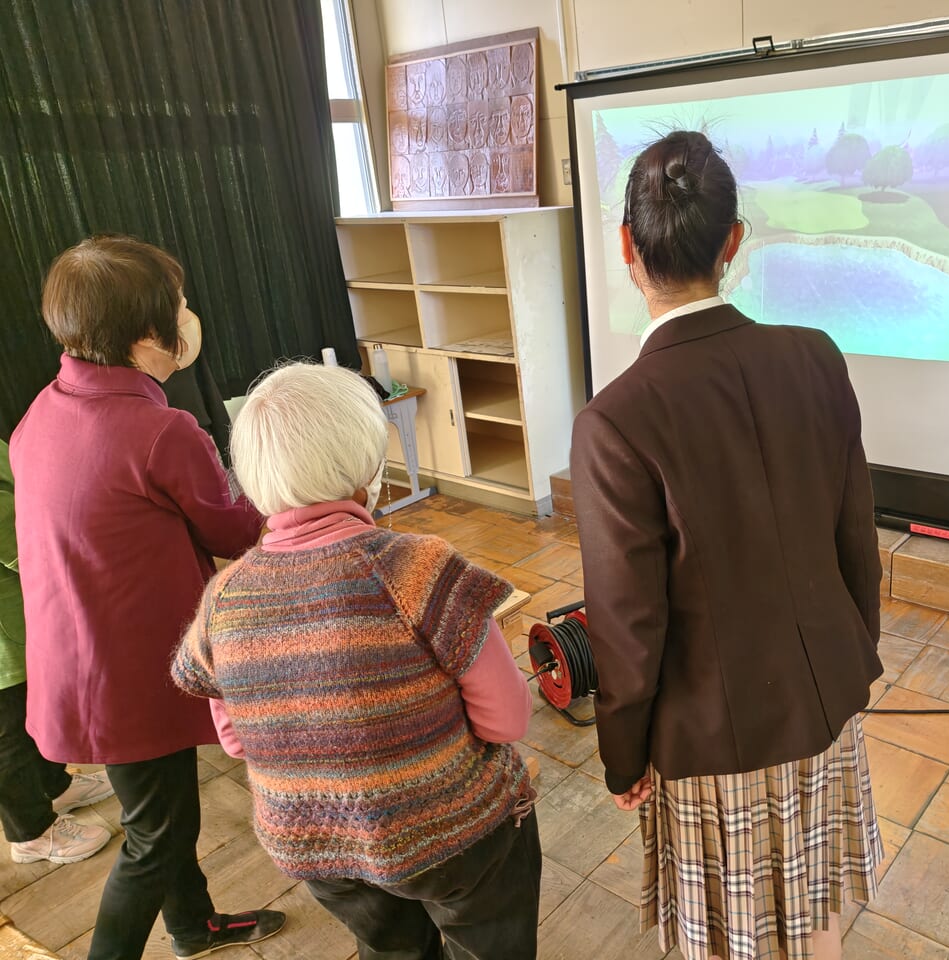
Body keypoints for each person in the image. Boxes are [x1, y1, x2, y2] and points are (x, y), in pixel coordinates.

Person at [571, 131, 885, 960]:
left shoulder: (615, 420)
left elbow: (628, 626)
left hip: (714, 739)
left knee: (734, 939)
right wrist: (848, 662)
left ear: (627, 247)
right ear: (733, 242)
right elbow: (855, 537)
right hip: (823, 702)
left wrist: (622, 755)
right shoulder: (816, 357)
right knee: (815, 915)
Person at [170, 362, 540, 960]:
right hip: (453, 832)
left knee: (391, 951)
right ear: (367, 468)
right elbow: (508, 720)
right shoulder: (418, 569)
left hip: (315, 845)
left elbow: (236, 742)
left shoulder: (223, 598)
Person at [9, 235, 284, 960]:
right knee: (156, 838)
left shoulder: (42, 411)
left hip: (77, 660)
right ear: (145, 334)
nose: (188, 317)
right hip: (129, 674)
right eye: (179, 306)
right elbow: (236, 530)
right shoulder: (162, 431)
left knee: (156, 818)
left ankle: (193, 927)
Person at [2, 439, 115, 865]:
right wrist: (50, 559)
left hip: (16, 608)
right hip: (4, 620)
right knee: (8, 730)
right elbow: (9, 529)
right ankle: (30, 832)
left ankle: (54, 784)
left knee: (28, 706)